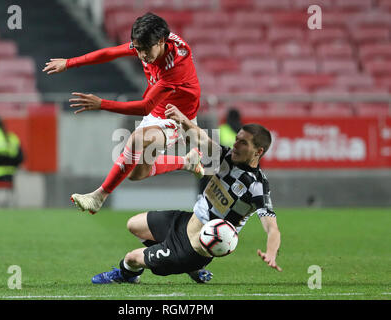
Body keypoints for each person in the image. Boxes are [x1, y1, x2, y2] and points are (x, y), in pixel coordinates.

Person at [90, 104, 282, 284]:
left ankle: (127, 275)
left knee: (131, 259)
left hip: (196, 248)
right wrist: (182, 119)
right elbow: (201, 139)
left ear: (258, 151)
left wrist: (271, 253)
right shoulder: (226, 156)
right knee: (133, 224)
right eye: (237, 139)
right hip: (185, 221)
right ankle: (183, 264)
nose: (236, 144)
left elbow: (272, 228)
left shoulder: (257, 186)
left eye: (243, 143)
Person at [42, 12, 203, 214]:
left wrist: (102, 104)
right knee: (136, 173)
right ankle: (187, 162)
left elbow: (144, 107)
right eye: (138, 49)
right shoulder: (147, 42)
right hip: (158, 109)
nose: (142, 55)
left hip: (178, 116)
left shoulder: (175, 66)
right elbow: (111, 53)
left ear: (161, 41)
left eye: (146, 50)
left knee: (137, 139)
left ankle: (98, 197)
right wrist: (69, 62)